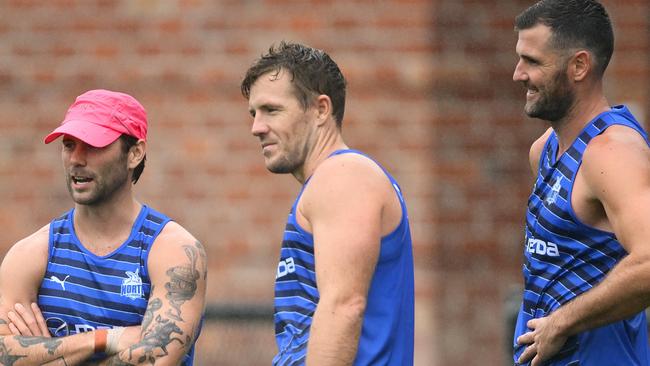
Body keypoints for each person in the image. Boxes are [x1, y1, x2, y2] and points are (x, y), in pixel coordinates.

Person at [0, 89, 207, 365]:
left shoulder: (175, 251)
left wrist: (50, 353)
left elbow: (155, 360)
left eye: (94, 145)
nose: (77, 159)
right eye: (69, 145)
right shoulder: (30, 254)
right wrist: (105, 339)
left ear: (134, 154)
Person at [241, 42, 414, 365]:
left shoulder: (343, 176)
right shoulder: (333, 180)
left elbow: (343, 306)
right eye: (254, 113)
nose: (256, 127)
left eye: (272, 110)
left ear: (321, 110)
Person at [512, 1, 650, 365]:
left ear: (579, 66)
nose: (518, 74)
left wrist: (561, 323)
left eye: (533, 61)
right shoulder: (543, 149)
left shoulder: (611, 153)